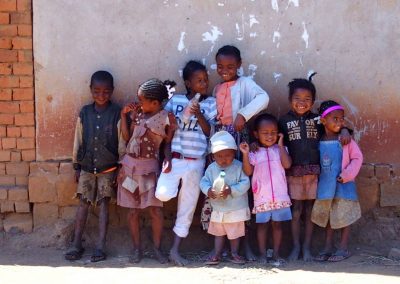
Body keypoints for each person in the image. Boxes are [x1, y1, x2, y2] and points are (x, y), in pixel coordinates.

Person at [278, 74, 351, 261]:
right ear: (289, 100)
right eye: (297, 99)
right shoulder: (283, 121)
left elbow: (336, 126)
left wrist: (344, 130)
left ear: (313, 101)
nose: (302, 103)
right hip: (293, 173)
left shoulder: (319, 119)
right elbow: (270, 139)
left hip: (314, 174)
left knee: (310, 211)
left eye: (307, 99)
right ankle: (295, 247)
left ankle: (307, 248)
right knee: (295, 211)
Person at [210, 45, 269, 260]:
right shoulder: (216, 89)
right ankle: (221, 246)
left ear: (239, 65)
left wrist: (243, 114)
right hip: (220, 144)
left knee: (242, 191)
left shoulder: (246, 84)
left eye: (231, 66)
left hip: (238, 139)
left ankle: (244, 247)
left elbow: (264, 98)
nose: (225, 70)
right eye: (221, 66)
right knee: (220, 191)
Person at [155, 60, 217, 266]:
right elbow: (167, 127)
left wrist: (198, 113)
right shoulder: (177, 100)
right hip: (175, 158)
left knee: (187, 207)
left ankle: (175, 250)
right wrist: (166, 152)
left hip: (196, 162)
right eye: (199, 80)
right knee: (163, 193)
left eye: (205, 79)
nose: (204, 83)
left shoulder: (210, 103)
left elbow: (209, 132)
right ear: (188, 84)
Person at [65, 70, 124, 262]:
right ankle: (76, 244)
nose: (101, 95)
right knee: (83, 204)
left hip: (108, 169)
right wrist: (76, 165)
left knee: (104, 205)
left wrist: (120, 167)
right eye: (97, 91)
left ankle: (100, 246)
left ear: (112, 91)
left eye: (106, 91)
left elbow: (122, 141)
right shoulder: (85, 112)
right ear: (90, 90)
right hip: (87, 168)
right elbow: (78, 139)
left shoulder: (117, 113)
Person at [117, 78, 176, 263]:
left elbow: (168, 144)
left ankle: (157, 249)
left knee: (155, 211)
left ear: (155, 103)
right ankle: (137, 249)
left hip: (150, 170)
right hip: (129, 169)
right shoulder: (138, 115)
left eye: (142, 100)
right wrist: (123, 116)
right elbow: (127, 139)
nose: (139, 104)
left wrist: (168, 158)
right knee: (133, 211)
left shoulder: (167, 118)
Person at [312, 100, 363, 262]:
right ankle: (328, 246)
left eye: (342, 119)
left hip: (343, 186)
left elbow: (357, 158)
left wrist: (347, 175)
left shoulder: (346, 140)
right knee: (329, 217)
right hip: (326, 188)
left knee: (344, 217)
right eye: (335, 119)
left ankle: (343, 247)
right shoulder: (318, 141)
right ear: (323, 120)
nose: (340, 122)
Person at [240, 114, 292, 266]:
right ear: (256, 134)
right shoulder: (254, 152)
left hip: (280, 196)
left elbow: (287, 164)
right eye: (265, 133)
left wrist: (281, 145)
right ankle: (263, 254)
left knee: (277, 225)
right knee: (262, 226)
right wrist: (245, 154)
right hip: (262, 197)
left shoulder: (281, 150)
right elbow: (248, 172)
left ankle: (276, 254)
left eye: (273, 132)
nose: (270, 136)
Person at [201, 131, 250, 265]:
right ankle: (217, 254)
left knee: (235, 234)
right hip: (218, 209)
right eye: (219, 156)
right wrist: (208, 190)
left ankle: (234, 254)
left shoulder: (238, 166)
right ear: (213, 157)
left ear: (234, 154)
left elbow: (246, 183)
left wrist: (231, 190)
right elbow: (204, 182)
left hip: (236, 208)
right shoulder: (211, 169)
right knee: (219, 233)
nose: (224, 159)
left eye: (228, 155)